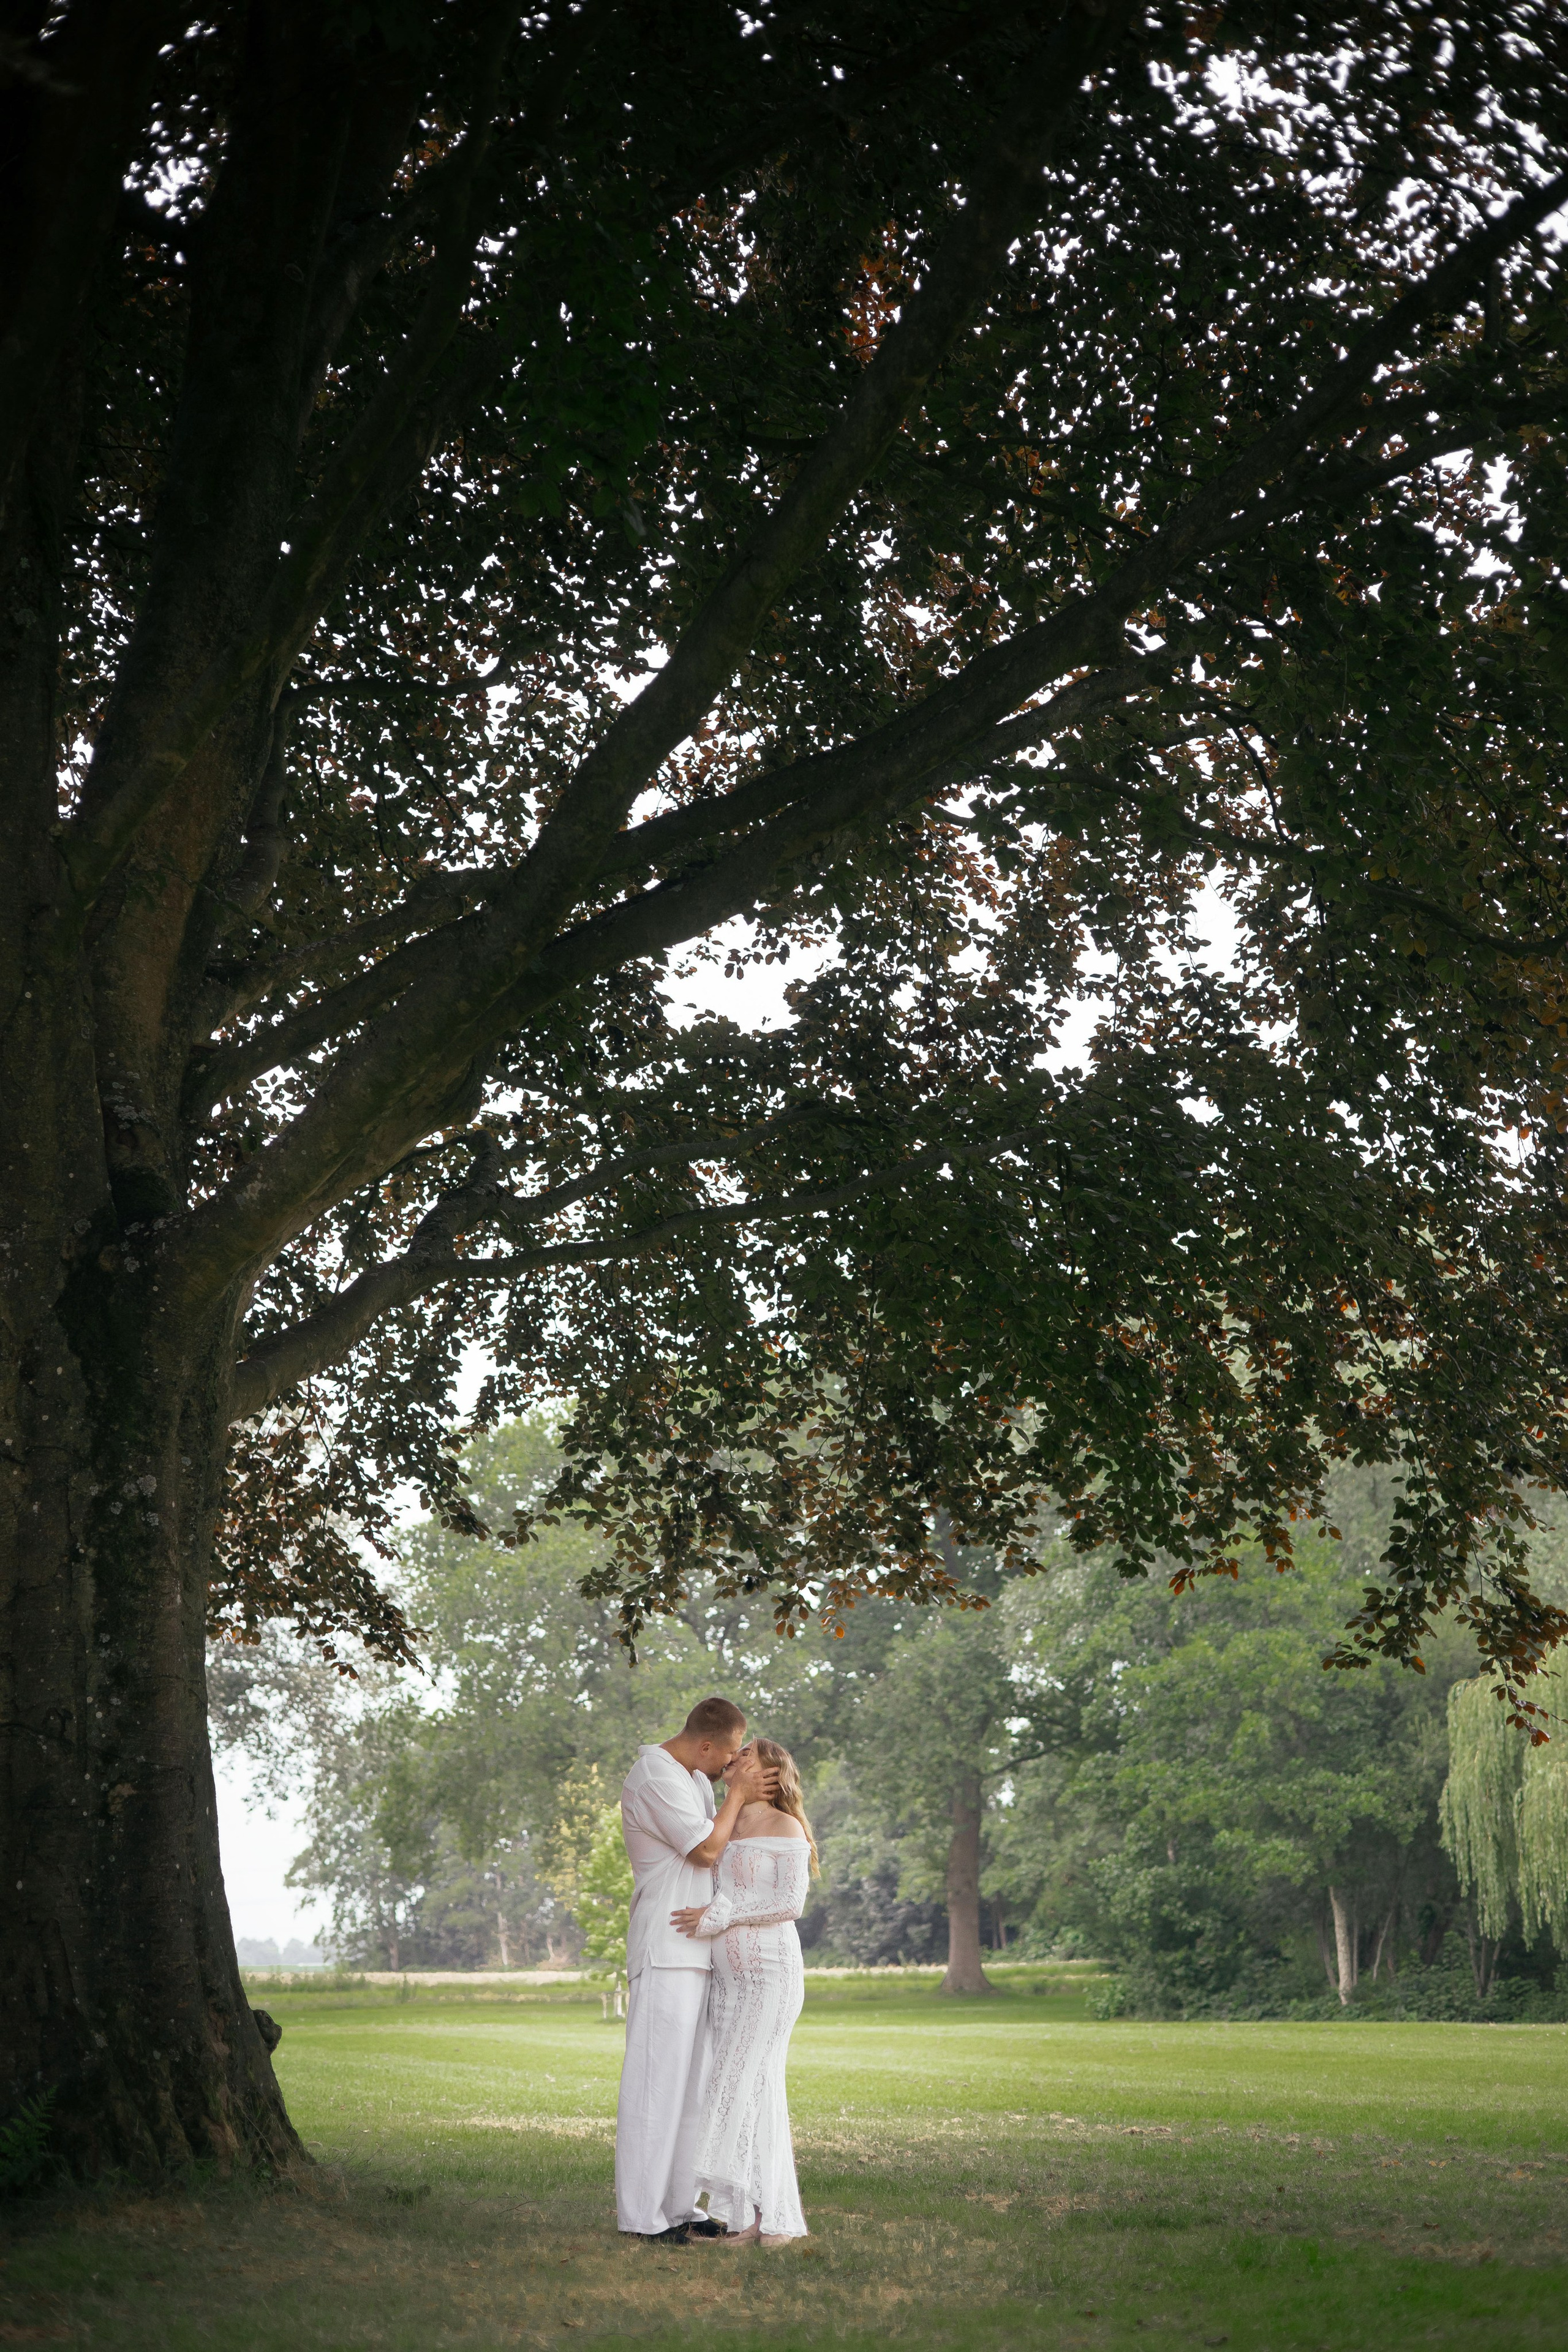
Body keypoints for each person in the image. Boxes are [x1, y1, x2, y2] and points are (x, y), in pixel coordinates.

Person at [614, 1697, 778, 2242]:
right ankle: (642, 2219)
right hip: (665, 1946)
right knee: (655, 2086)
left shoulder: (698, 1780)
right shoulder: (654, 1776)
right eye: (730, 1753)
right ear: (707, 1745)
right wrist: (737, 1795)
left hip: (699, 1949)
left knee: (693, 2091)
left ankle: (681, 2209)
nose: (732, 1765)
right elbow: (707, 1851)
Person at [671, 1736, 816, 2247]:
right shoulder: (726, 1823)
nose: (736, 1757)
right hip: (728, 1983)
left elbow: (790, 1903)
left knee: (740, 2088)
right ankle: (762, 2223)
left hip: (770, 1977)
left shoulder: (786, 1826)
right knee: (750, 2092)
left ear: (772, 1772)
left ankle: (758, 2221)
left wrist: (722, 1916)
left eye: (749, 1753)